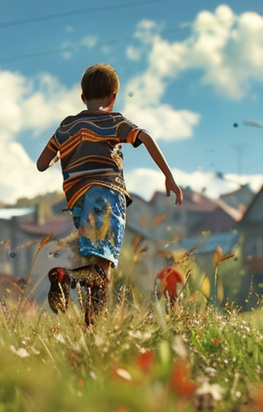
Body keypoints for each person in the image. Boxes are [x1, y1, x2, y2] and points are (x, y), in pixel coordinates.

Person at [37, 63, 183, 325]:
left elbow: (41, 163)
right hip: (105, 196)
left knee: (95, 267)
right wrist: (168, 176)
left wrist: (65, 151)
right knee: (102, 269)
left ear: (83, 97)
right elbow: (145, 137)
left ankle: (91, 328)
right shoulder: (114, 120)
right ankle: (67, 279)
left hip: (78, 203)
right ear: (114, 96)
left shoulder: (66, 126)